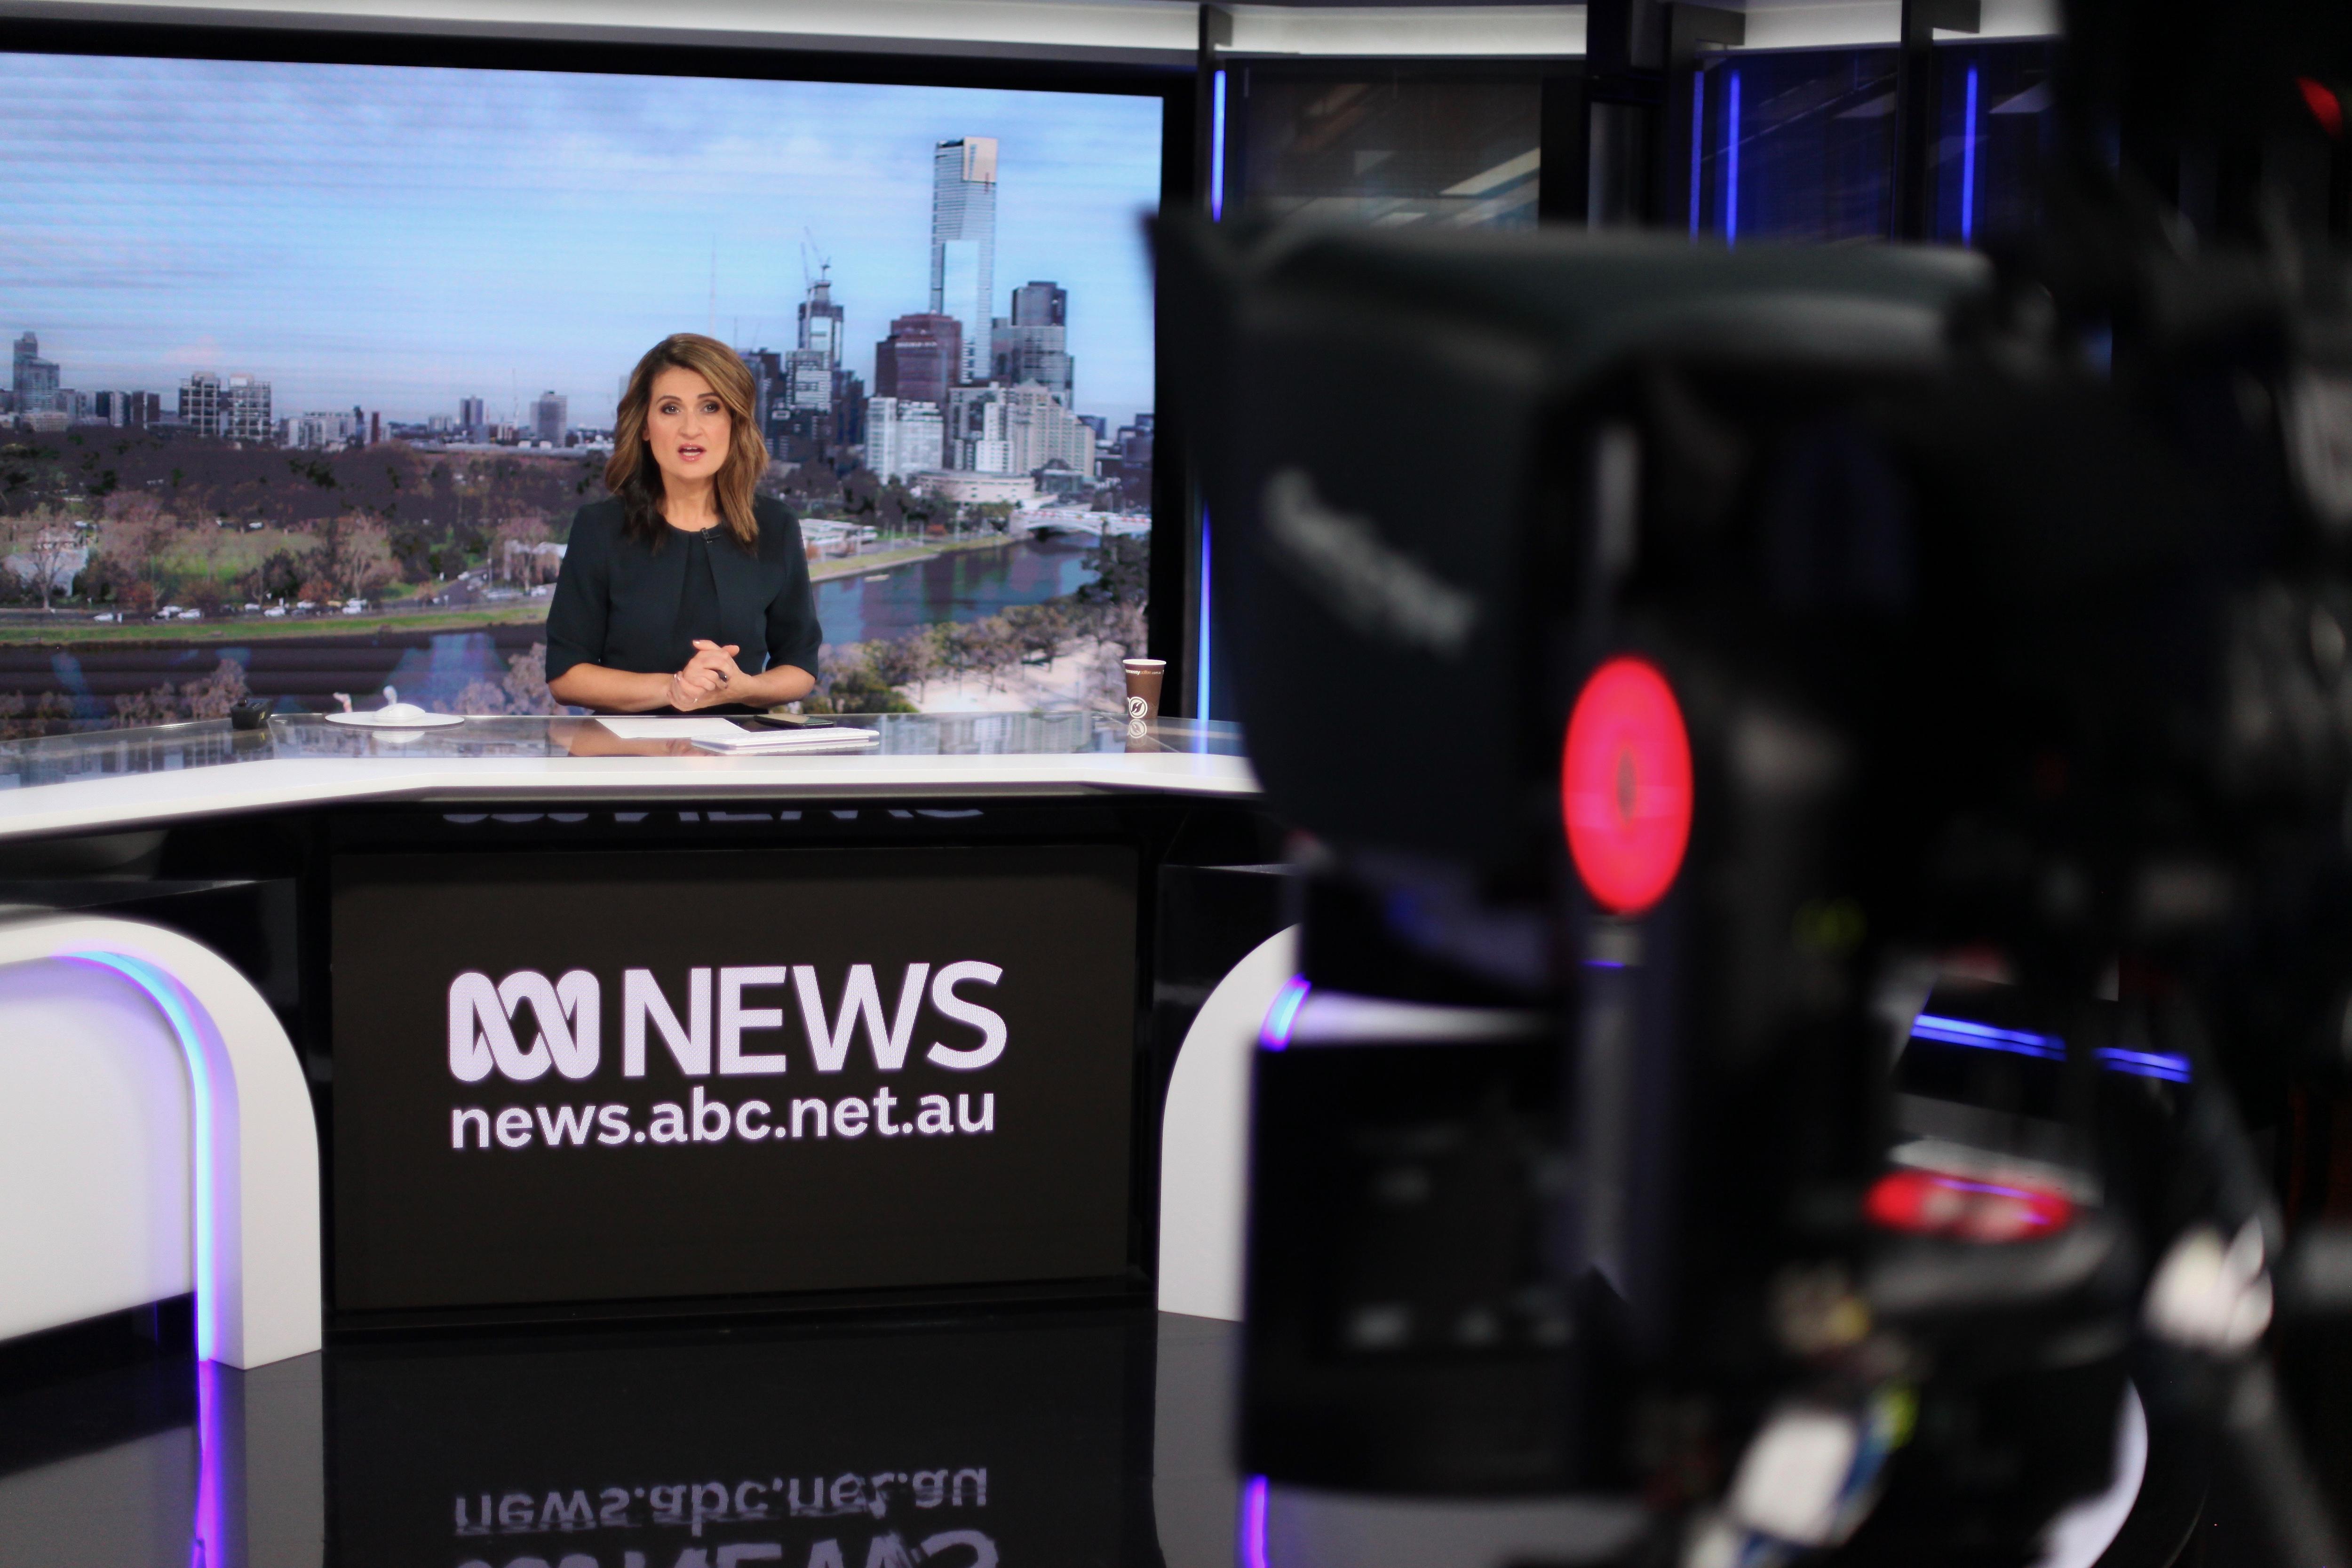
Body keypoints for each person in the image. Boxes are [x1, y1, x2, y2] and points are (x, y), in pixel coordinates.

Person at [546, 334, 820, 713]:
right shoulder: (600, 528)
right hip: (623, 758)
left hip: (737, 758)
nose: (691, 429)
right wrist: (673, 688)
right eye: (671, 409)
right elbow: (566, 675)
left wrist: (743, 687)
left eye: (710, 407)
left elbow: (800, 666)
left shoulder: (776, 526)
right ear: (644, 426)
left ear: (734, 421)